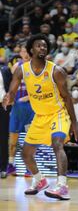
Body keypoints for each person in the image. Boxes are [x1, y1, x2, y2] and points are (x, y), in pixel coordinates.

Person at [2, 34, 78, 200]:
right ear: (31, 49)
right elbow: (13, 90)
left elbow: (67, 98)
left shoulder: (56, 71)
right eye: (38, 46)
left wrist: (74, 123)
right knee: (26, 154)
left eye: (44, 46)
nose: (42, 48)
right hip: (40, 116)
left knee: (57, 144)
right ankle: (40, 180)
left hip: (58, 114)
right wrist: (9, 97)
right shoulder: (22, 69)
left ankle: (62, 186)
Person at [7, 47, 35, 176]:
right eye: (23, 51)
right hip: (17, 107)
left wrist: (29, 97)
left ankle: (30, 168)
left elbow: (40, 89)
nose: (25, 54)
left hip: (31, 108)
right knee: (13, 140)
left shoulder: (36, 67)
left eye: (27, 51)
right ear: (20, 54)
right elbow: (10, 84)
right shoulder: (16, 66)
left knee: (30, 140)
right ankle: (11, 164)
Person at [0, 60, 12, 178]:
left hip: (3, 107)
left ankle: (3, 167)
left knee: (3, 138)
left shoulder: (5, 70)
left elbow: (11, 88)